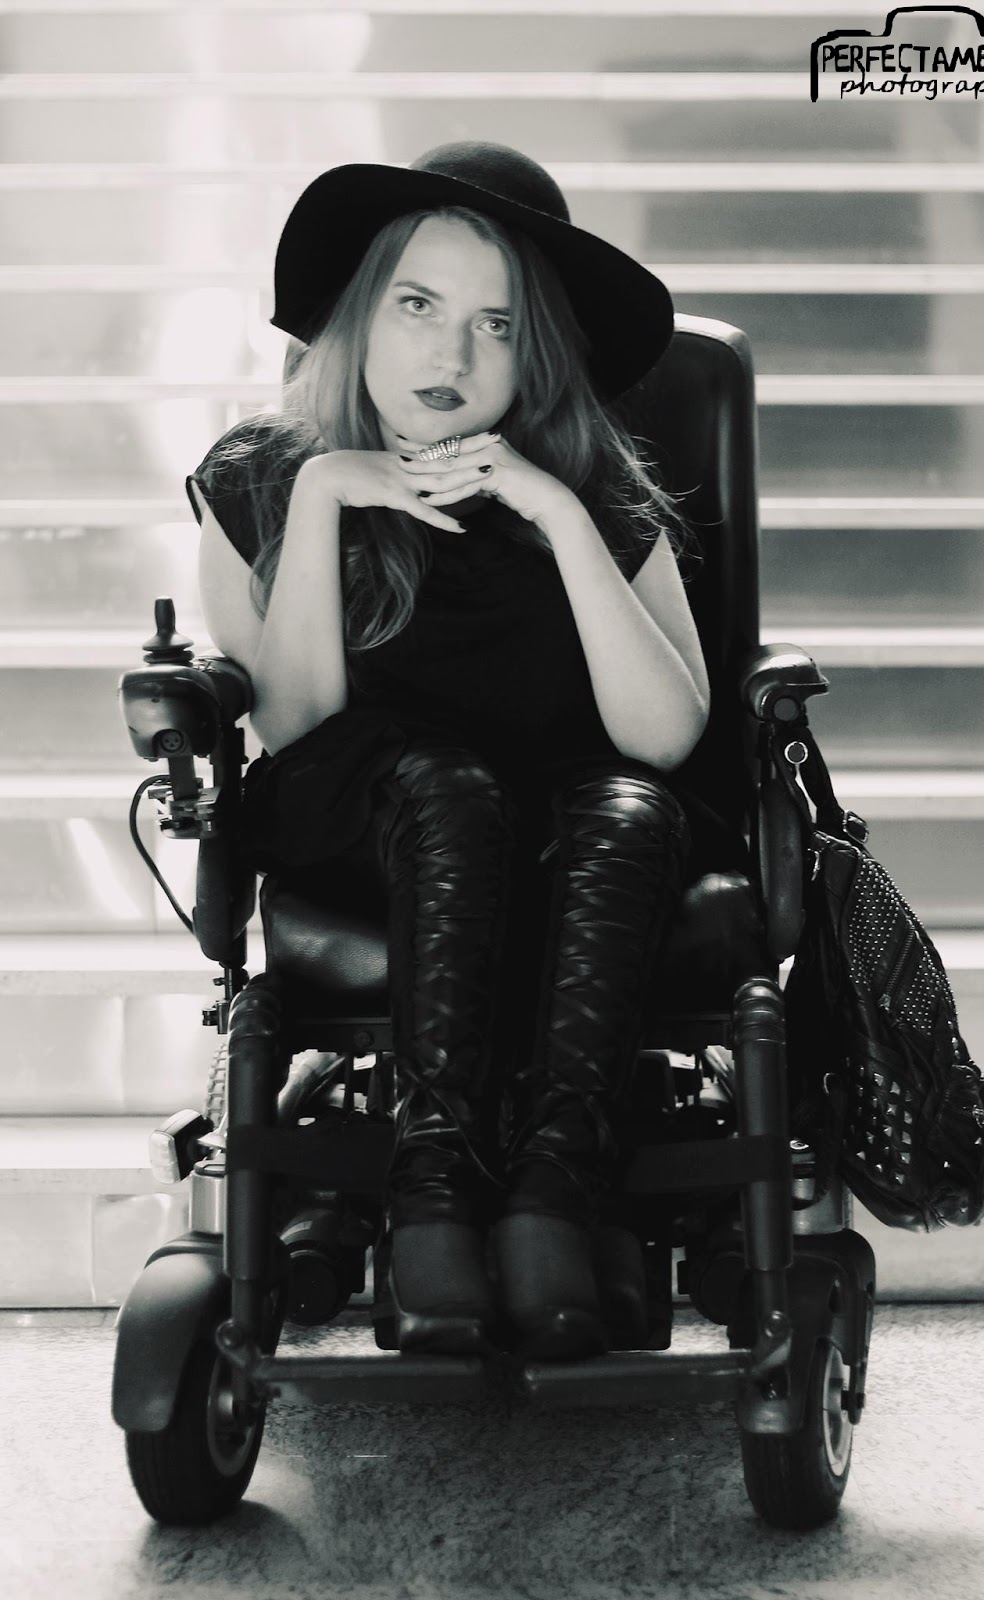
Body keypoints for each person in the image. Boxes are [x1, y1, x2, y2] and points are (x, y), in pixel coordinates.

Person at [186, 141, 720, 1364]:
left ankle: (552, 1198)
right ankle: (430, 1197)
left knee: (629, 808)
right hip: (366, 820)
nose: (452, 356)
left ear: (538, 354)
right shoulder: (263, 476)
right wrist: (325, 496)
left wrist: (558, 513)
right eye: (417, 306)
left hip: (566, 821)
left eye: (497, 325)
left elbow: (664, 736)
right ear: (358, 314)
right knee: (446, 783)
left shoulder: (592, 486)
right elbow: (297, 723)